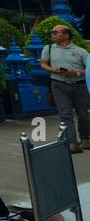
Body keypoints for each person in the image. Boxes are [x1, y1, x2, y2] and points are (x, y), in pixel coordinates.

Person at [39, 24, 90, 153]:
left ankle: (85, 139)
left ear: (66, 35)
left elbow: (88, 69)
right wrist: (55, 70)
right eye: (52, 32)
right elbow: (43, 64)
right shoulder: (48, 48)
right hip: (58, 84)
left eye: (55, 32)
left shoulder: (80, 51)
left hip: (79, 85)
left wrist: (76, 72)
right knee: (65, 114)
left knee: (83, 113)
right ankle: (72, 142)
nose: (52, 34)